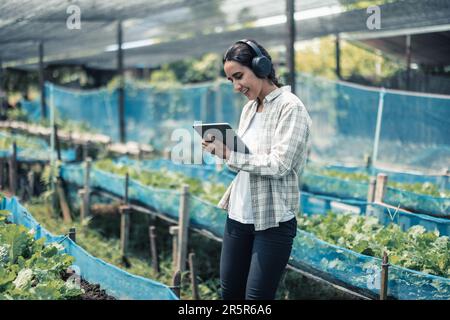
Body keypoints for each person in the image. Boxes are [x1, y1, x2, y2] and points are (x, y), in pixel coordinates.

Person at [202, 39, 312, 300]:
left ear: (261, 66)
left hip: (272, 221)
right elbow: (245, 160)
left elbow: (280, 165)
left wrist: (231, 155)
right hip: (238, 215)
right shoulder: (250, 108)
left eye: (239, 76)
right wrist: (223, 150)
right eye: (231, 80)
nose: (236, 86)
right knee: (230, 295)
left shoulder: (290, 107)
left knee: (255, 301)